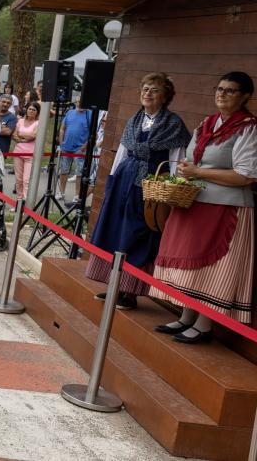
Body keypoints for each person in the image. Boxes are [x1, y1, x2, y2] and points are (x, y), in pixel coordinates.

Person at [150, 71, 256, 343]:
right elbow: (189, 159)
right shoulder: (207, 123)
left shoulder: (248, 128)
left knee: (211, 266)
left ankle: (205, 325)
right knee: (191, 263)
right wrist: (186, 170)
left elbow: (245, 175)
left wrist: (199, 172)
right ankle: (187, 317)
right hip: (195, 202)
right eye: (219, 88)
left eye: (230, 90)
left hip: (226, 206)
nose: (221, 94)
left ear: (245, 96)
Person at [85, 74, 191, 309]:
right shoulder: (134, 121)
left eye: (154, 89)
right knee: (115, 231)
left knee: (138, 235)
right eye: (144, 88)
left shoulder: (173, 125)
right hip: (124, 181)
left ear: (166, 96)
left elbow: (176, 161)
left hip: (151, 187)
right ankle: (114, 285)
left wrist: (170, 191)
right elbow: (122, 153)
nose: (148, 93)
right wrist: (112, 183)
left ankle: (131, 292)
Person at [56, 102, 92, 202]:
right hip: (66, 146)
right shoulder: (70, 112)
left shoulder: (89, 114)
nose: (81, 104)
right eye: (79, 102)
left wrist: (84, 147)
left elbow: (93, 134)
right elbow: (62, 128)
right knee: (64, 170)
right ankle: (61, 192)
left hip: (80, 148)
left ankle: (77, 194)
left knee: (79, 173)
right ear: (76, 102)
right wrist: (61, 143)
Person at [11, 103, 40, 200]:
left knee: (26, 180)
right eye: (30, 109)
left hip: (30, 154)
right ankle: (20, 201)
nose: (31, 111)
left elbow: (33, 136)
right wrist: (24, 139)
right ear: (26, 110)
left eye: (34, 110)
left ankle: (26, 203)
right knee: (18, 179)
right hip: (18, 153)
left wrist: (21, 137)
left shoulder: (38, 123)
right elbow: (14, 135)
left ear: (37, 112)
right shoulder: (20, 121)